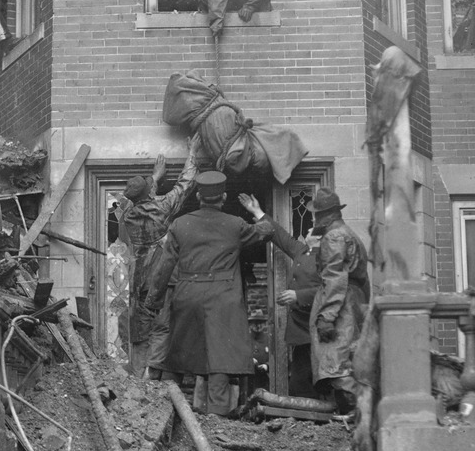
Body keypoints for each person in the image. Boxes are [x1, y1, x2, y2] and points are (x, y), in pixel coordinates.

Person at [145, 171, 274, 417]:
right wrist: (258, 213)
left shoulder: (180, 224)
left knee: (177, 355)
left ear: (198, 196)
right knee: (220, 358)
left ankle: (162, 415)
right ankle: (217, 421)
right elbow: (265, 231)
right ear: (223, 197)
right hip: (223, 298)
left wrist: (154, 301)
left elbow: (164, 267)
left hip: (187, 295)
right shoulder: (235, 225)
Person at [118, 143, 199, 381]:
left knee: (141, 330)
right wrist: (192, 151)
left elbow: (135, 199)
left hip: (139, 277)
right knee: (162, 326)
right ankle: (151, 377)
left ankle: (137, 377)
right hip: (162, 276)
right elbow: (185, 184)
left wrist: (153, 178)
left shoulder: (127, 215)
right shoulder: (162, 207)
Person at [238, 193, 322, 398]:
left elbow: (332, 288)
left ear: (319, 237)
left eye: (311, 229)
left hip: (319, 326)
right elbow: (281, 237)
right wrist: (257, 212)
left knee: (312, 380)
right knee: (301, 381)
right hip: (302, 328)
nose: (308, 230)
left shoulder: (327, 256)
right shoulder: (303, 251)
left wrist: (298, 296)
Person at [307, 187, 369, 414]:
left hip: (341, 307)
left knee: (338, 367)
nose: (316, 218)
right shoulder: (348, 233)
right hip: (352, 304)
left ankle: (354, 419)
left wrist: (327, 316)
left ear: (328, 214)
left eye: (318, 214)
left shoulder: (334, 236)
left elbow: (334, 278)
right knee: (347, 364)